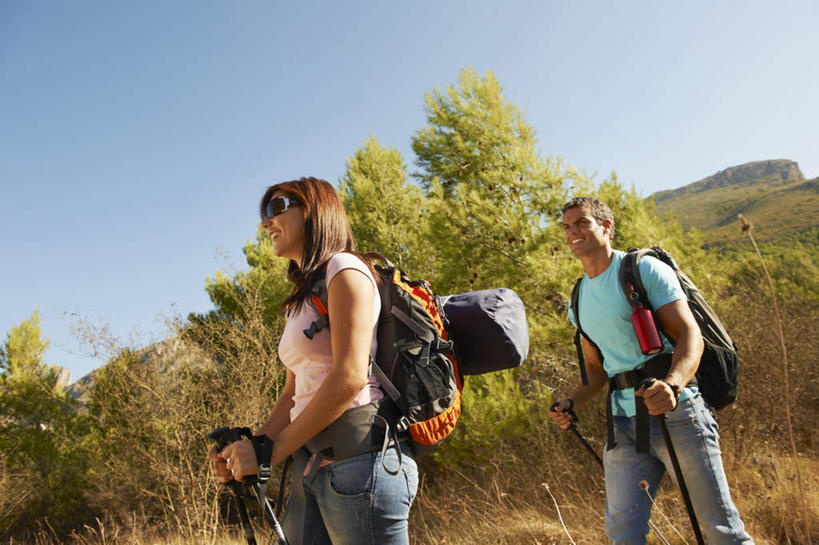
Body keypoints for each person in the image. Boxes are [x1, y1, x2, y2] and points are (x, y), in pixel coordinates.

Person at [208, 177, 418, 545]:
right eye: (263, 213)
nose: (265, 222)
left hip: (362, 466)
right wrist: (250, 447)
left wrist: (270, 454)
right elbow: (292, 395)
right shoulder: (301, 299)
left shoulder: (345, 269)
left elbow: (350, 377)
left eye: (275, 208)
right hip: (316, 469)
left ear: (313, 210)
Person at [549, 197, 753, 544]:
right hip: (625, 424)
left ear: (606, 227)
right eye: (567, 226)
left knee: (721, 529)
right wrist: (572, 403)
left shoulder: (642, 270)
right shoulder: (578, 299)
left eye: (582, 222)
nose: (573, 232)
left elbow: (690, 335)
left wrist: (672, 385)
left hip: (679, 413)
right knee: (622, 534)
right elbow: (596, 372)